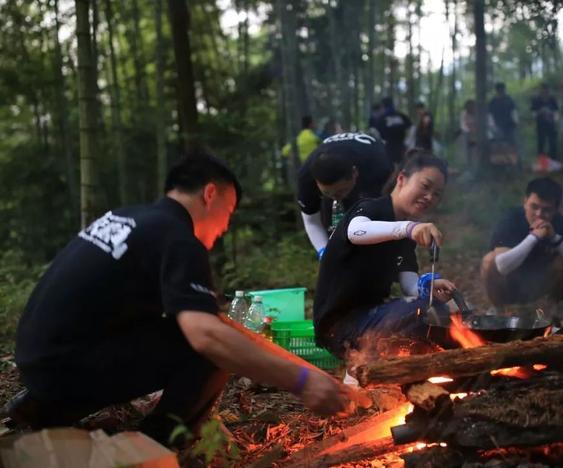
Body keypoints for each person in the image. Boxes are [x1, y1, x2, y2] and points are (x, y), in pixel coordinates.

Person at [4, 152, 349, 447]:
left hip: (40, 361)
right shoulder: (178, 239)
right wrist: (301, 383)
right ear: (210, 194)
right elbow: (208, 335)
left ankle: (45, 408)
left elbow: (217, 322)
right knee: (210, 352)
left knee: (208, 334)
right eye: (228, 214)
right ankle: (158, 444)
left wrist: (305, 370)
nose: (225, 228)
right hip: (67, 368)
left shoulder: (135, 219)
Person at [313, 149, 457, 360]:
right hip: (339, 326)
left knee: (437, 311)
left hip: (371, 317)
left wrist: (427, 286)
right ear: (401, 179)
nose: (429, 197)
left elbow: (409, 285)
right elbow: (356, 232)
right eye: (425, 186)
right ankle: (361, 369)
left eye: (437, 194)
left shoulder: (406, 236)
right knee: (421, 313)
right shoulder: (372, 208)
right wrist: (409, 228)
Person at [481, 177, 563, 307]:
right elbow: (501, 265)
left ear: (556, 209)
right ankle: (498, 310)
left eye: (546, 210)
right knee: (489, 260)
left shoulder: (561, 223)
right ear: (525, 202)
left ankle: (551, 308)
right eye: (534, 207)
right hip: (511, 283)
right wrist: (534, 237)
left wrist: (555, 238)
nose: (539, 214)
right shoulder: (511, 219)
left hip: (542, 282)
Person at [297, 132, 393, 258]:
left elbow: (394, 211)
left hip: (370, 174)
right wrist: (323, 252)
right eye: (327, 192)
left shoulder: (378, 167)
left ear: (354, 173)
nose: (335, 196)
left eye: (340, 191)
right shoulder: (306, 178)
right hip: (348, 173)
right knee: (334, 225)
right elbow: (311, 222)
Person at [375, 96, 412, 165]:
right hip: (400, 146)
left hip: (390, 147)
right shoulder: (401, 116)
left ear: (383, 106)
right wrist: (408, 141)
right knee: (402, 166)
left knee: (391, 167)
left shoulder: (382, 118)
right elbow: (411, 127)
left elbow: (379, 133)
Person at [531, 83, 559, 160]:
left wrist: (555, 120)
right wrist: (540, 112)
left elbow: (556, 111)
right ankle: (541, 161)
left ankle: (553, 160)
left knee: (552, 143)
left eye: (546, 89)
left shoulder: (552, 99)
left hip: (551, 124)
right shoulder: (536, 100)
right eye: (542, 89)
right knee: (541, 143)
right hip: (540, 124)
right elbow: (533, 113)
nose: (544, 91)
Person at [488, 82, 518, 150]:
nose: (501, 91)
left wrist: (516, 121)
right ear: (497, 90)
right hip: (497, 125)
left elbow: (513, 111)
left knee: (511, 142)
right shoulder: (493, 101)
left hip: (509, 124)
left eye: (503, 89)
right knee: (499, 142)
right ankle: (500, 159)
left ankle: (513, 159)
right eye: (500, 89)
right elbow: (490, 115)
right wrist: (491, 125)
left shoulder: (509, 99)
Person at [460, 99, 477, 169]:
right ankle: (468, 165)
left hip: (477, 135)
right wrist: (469, 131)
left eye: (472, 106)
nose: (470, 108)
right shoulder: (464, 114)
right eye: (469, 106)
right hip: (468, 135)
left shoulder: (478, 113)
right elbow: (463, 125)